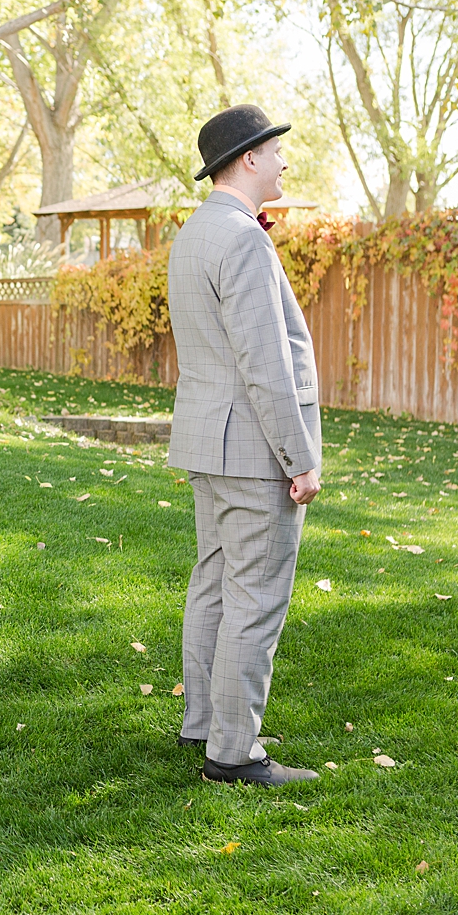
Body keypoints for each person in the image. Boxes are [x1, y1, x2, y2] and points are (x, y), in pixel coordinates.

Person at [167, 104, 323, 788]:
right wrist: (299, 458)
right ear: (249, 159)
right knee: (252, 599)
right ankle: (233, 754)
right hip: (253, 451)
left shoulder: (193, 234)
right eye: (276, 151)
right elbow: (265, 363)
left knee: (212, 587)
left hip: (206, 443)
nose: (285, 161)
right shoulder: (242, 240)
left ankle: (203, 721)